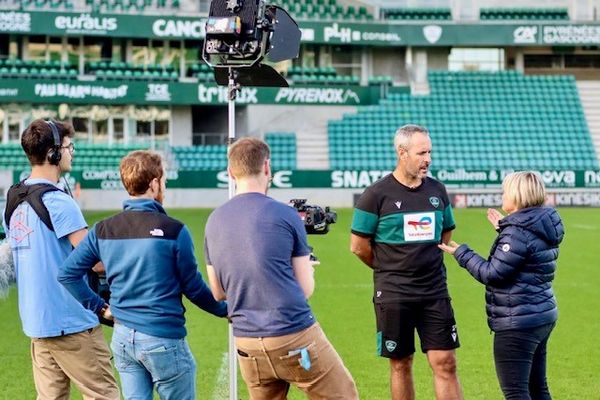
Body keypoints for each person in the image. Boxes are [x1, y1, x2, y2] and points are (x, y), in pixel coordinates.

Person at [58, 150, 228, 400]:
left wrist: (101, 308)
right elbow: (193, 288)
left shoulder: (103, 229)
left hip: (124, 338)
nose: (165, 186)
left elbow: (68, 274)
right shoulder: (174, 230)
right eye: (164, 180)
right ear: (154, 183)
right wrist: (227, 309)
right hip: (163, 339)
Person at [204, 137, 358, 400]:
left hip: (247, 342)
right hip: (293, 335)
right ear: (267, 167)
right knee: (343, 395)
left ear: (230, 173)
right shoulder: (285, 214)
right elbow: (305, 288)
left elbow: (218, 292)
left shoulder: (214, 220)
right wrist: (307, 267)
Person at [2, 119, 119, 400]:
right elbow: (96, 262)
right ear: (54, 153)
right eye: (68, 146)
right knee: (104, 395)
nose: (72, 152)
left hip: (37, 324)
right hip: (73, 323)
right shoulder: (60, 202)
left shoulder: (14, 198)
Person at [350, 124, 463, 400]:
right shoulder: (375, 195)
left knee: (446, 362)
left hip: (434, 291)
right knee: (401, 364)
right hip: (394, 292)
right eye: (422, 152)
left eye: (430, 152)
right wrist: (390, 268)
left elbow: (446, 232)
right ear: (402, 153)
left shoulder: (437, 190)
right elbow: (358, 247)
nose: (428, 159)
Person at [439, 171, 564, 400]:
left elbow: (493, 273)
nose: (502, 195)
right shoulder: (541, 223)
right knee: (538, 388)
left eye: (505, 191)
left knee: (516, 392)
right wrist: (504, 230)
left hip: (518, 321)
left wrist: (462, 253)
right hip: (541, 315)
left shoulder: (517, 234)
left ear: (517, 195)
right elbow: (528, 248)